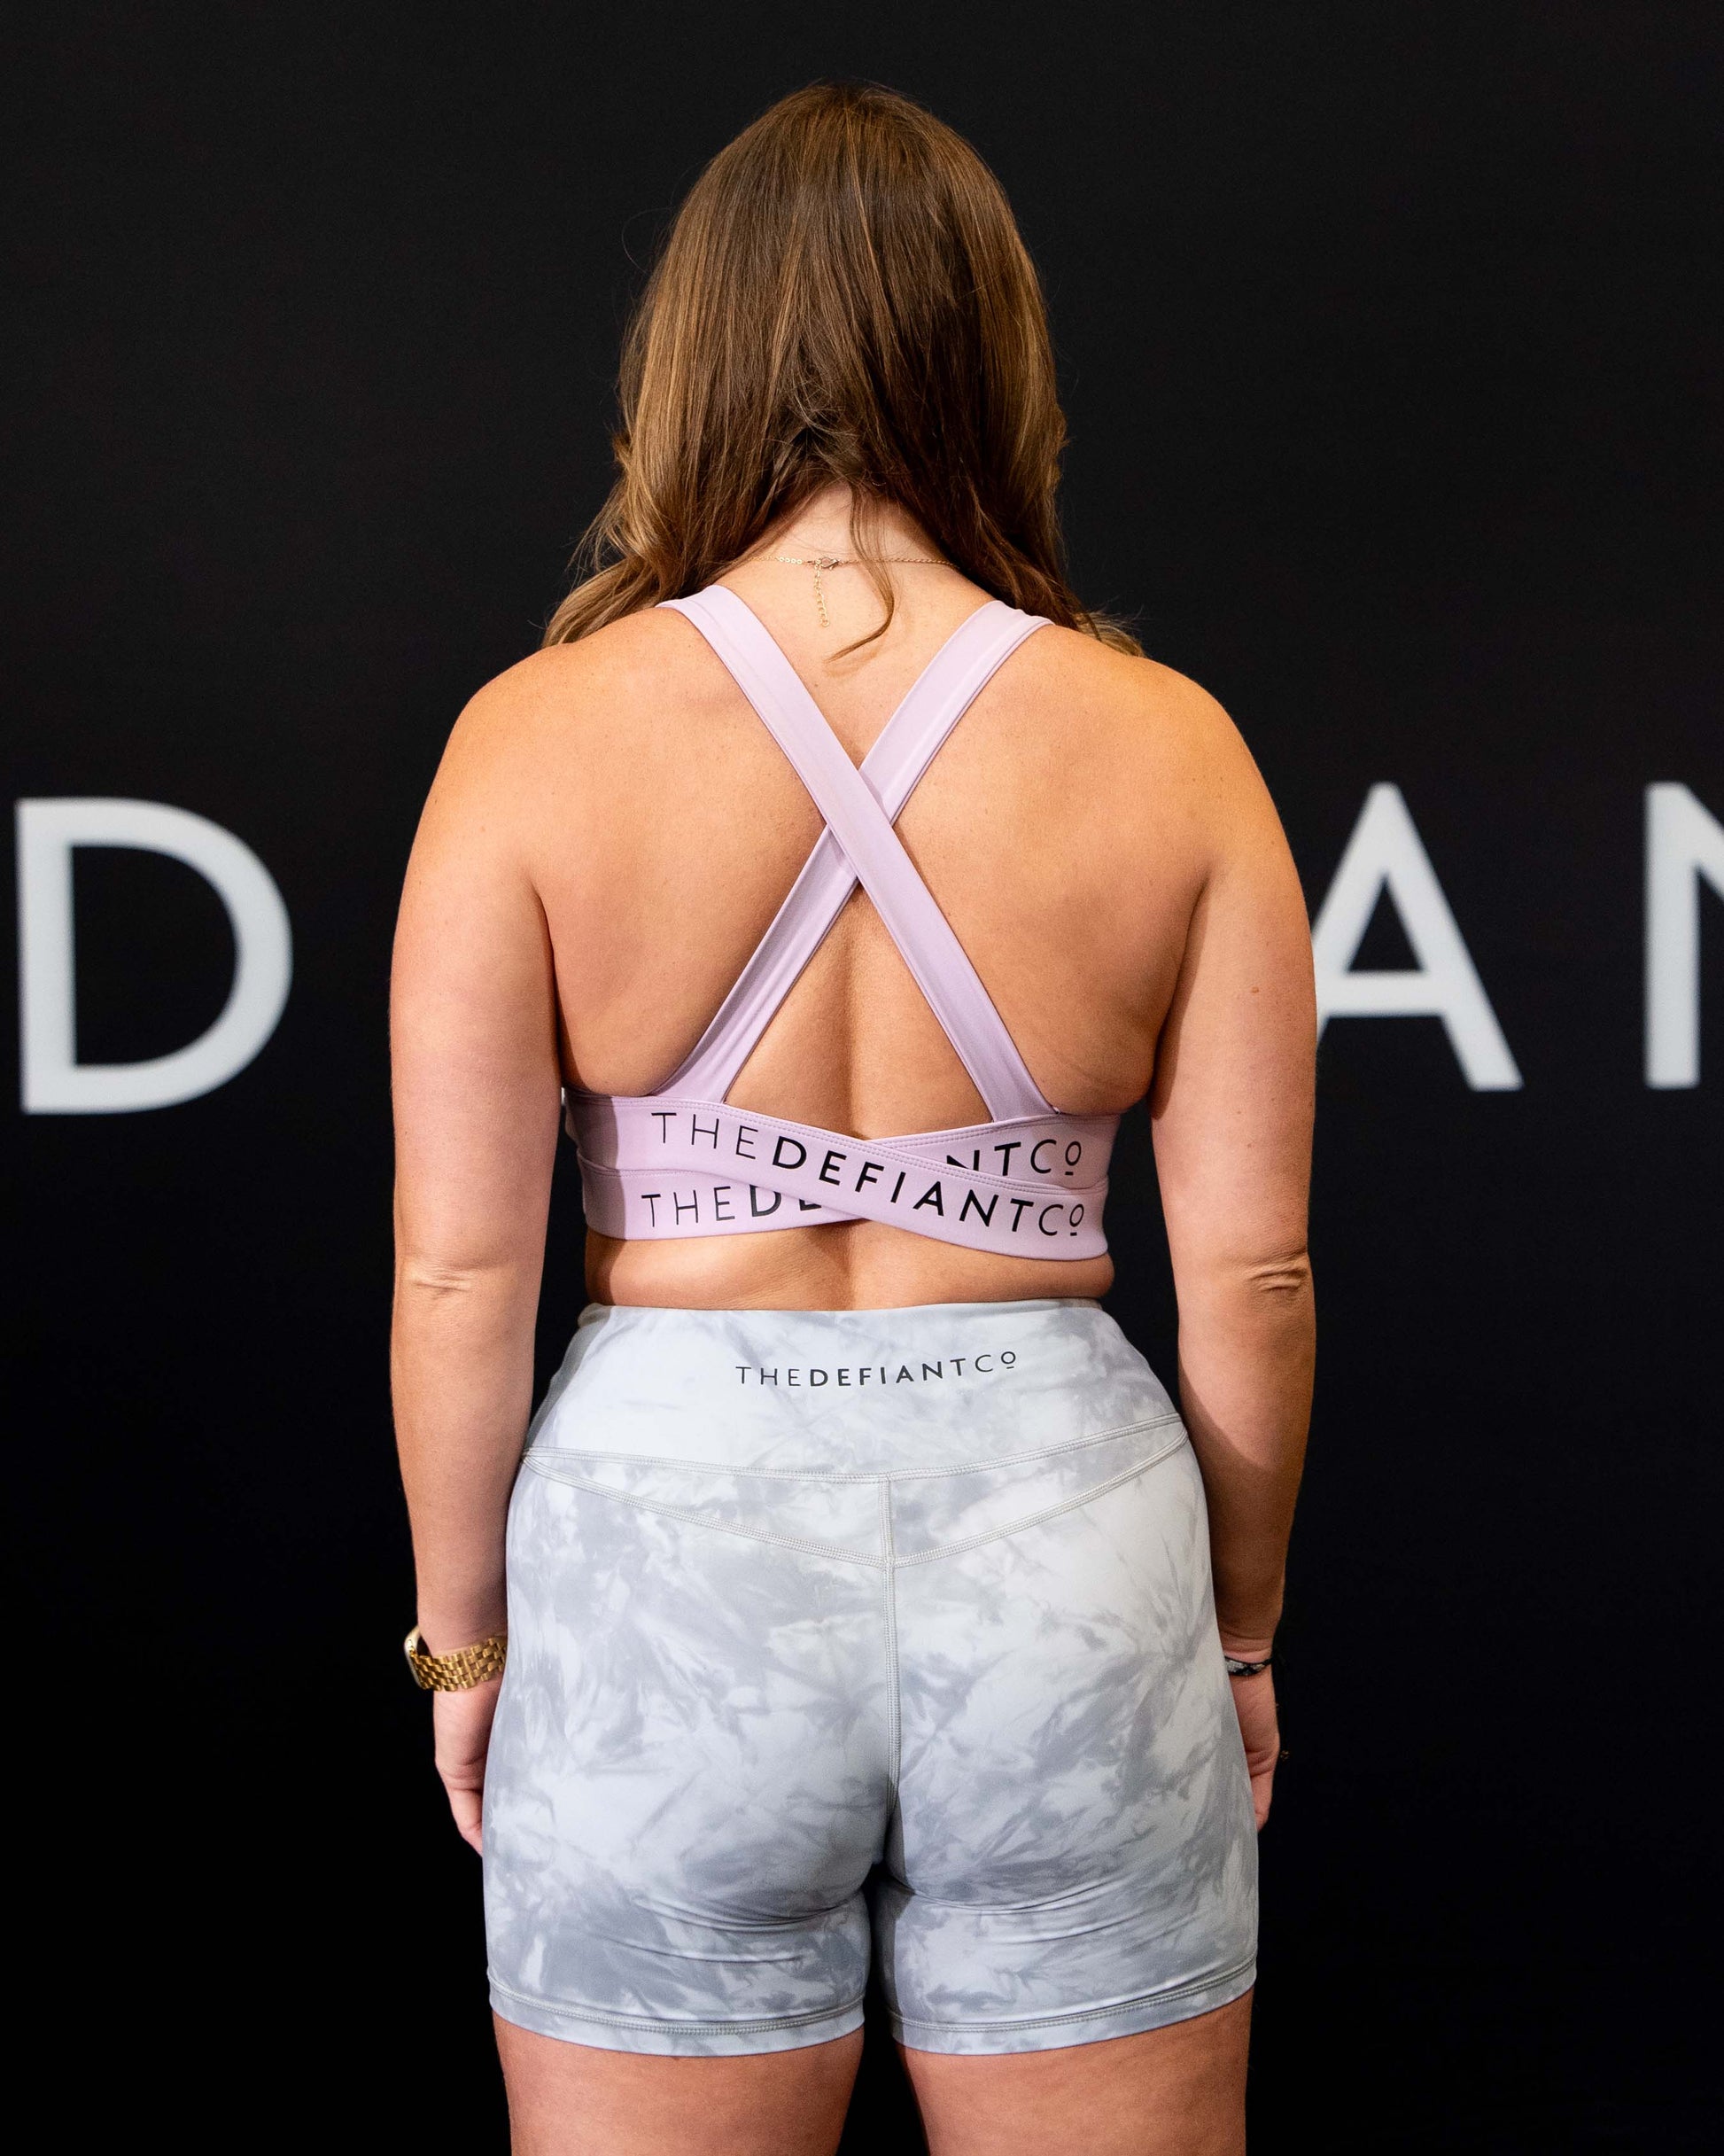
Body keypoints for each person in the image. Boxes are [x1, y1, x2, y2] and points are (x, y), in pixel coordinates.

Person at [391, 81, 1315, 2156]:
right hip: (1062, 1531)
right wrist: (1235, 1624)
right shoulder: (1168, 749)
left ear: (687, 359)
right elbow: (1251, 1266)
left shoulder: (530, 741)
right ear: (996, 355)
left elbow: (460, 1268)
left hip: (664, 1548)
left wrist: (463, 1647)